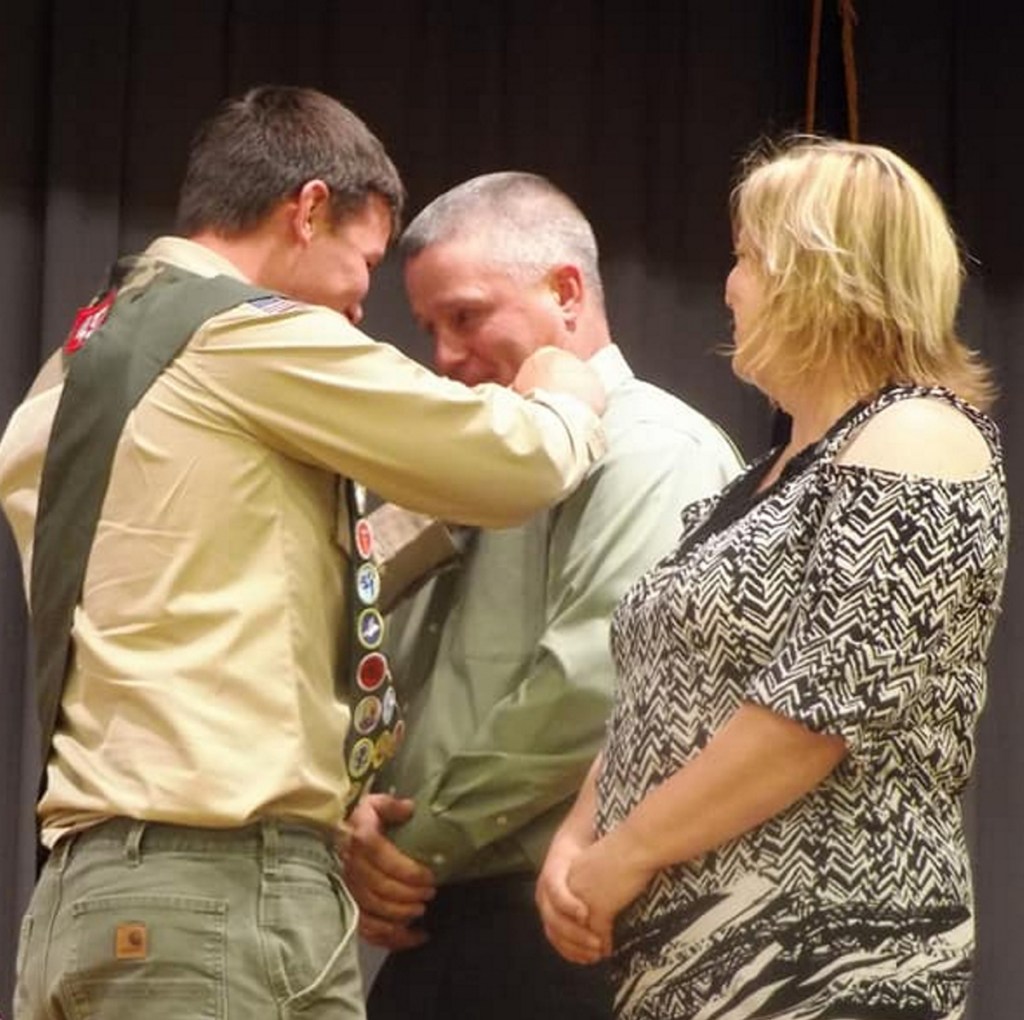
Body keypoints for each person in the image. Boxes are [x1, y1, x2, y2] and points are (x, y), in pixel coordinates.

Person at [0, 88, 608, 1020]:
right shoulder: (244, 334)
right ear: (308, 209)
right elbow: (514, 462)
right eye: (363, 261)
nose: (364, 306)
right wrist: (565, 392)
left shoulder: (76, 371)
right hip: (218, 896)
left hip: (85, 903)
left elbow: (214, 556)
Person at [536, 137, 1010, 1020]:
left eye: (748, 257)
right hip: (696, 970)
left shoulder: (919, 439)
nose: (729, 285)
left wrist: (625, 853)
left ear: (820, 275)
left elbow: (815, 713)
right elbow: (661, 690)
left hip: (829, 960)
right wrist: (575, 839)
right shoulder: (760, 480)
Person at [339, 171, 741, 1020]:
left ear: (565, 292)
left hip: (570, 922)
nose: (444, 355)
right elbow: (386, 662)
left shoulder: (652, 450)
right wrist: (359, 818)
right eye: (428, 327)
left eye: (467, 315)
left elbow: (595, 685)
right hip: (445, 912)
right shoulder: (475, 450)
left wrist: (415, 842)